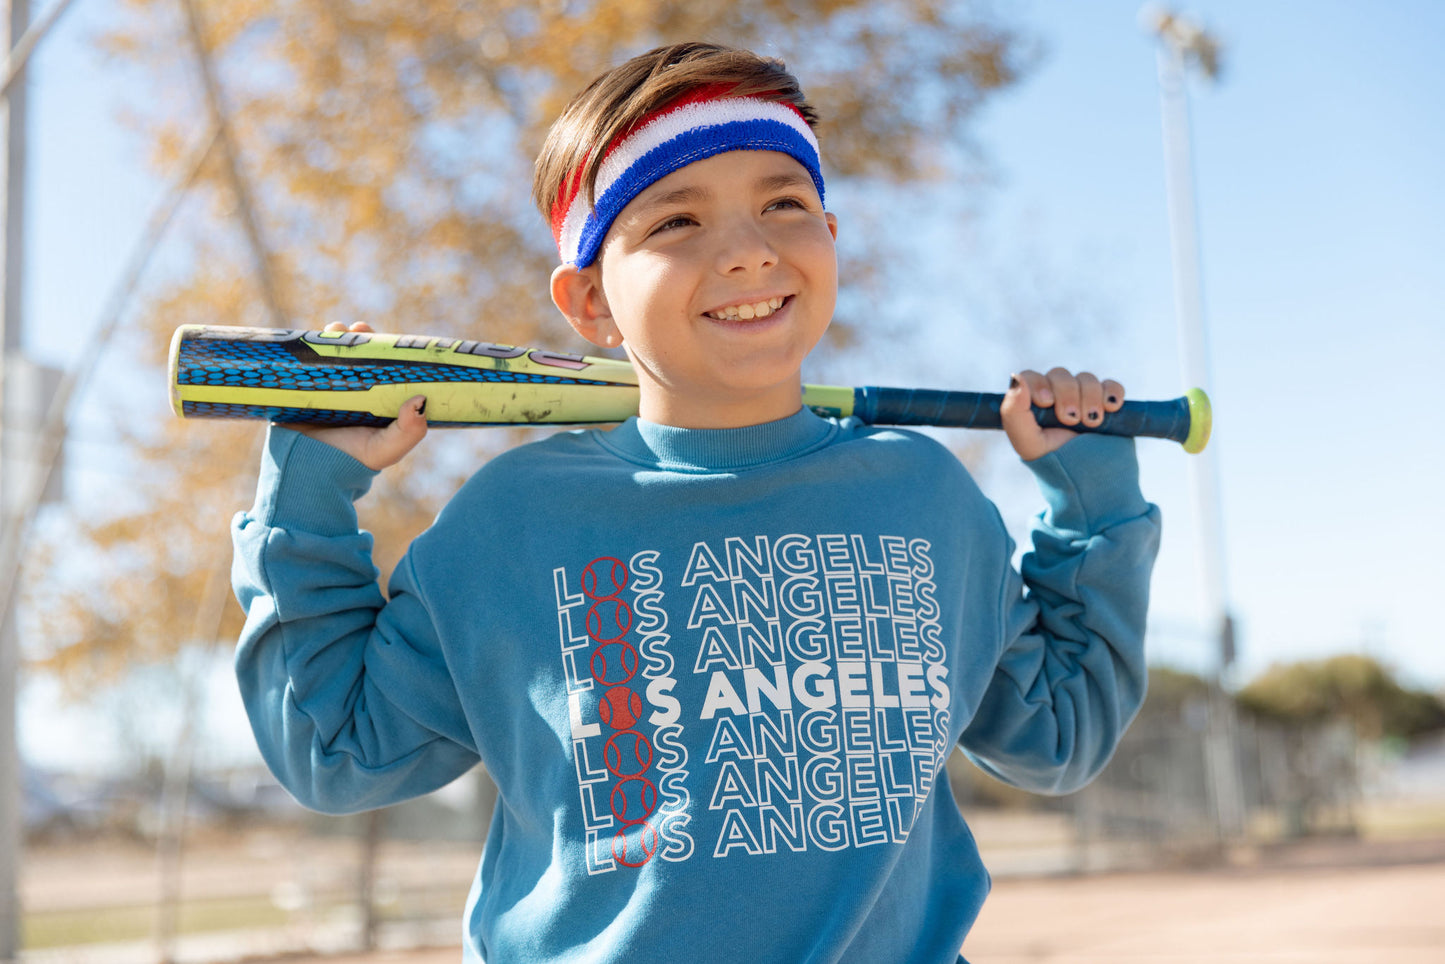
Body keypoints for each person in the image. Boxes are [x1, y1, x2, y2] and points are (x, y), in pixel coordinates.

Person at [231, 41, 1161, 964]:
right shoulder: (511, 520)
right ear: (589, 300)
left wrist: (1094, 508)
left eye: (783, 204)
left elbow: (1057, 735)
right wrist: (308, 497)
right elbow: (337, 751)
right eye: (676, 222)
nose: (749, 252)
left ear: (829, 240)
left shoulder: (923, 496)